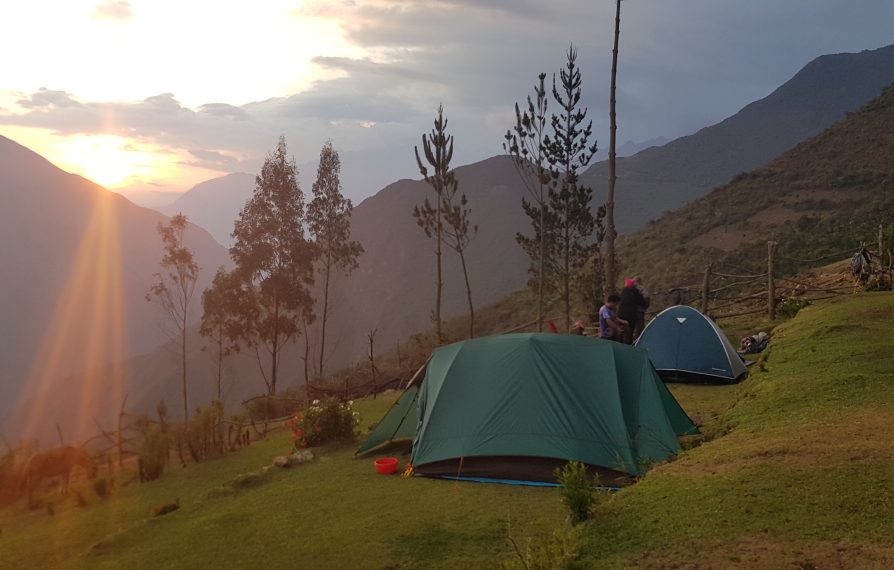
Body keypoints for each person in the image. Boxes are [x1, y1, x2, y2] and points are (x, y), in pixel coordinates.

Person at [619, 279, 647, 344]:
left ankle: (619, 344)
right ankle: (629, 346)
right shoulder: (635, 291)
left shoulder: (623, 291)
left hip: (621, 314)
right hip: (631, 315)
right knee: (630, 331)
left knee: (621, 331)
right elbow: (642, 302)